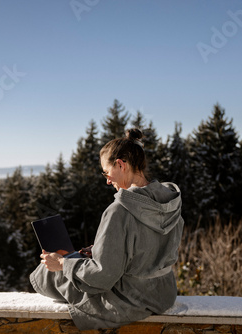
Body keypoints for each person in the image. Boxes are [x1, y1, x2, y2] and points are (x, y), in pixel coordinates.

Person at [30, 128, 184, 330]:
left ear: (121, 164)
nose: (107, 180)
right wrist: (104, 249)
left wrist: (62, 263)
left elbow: (101, 277)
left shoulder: (119, 211)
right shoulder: (169, 200)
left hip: (132, 299)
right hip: (163, 294)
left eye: (107, 172)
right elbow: (147, 247)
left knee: (46, 273)